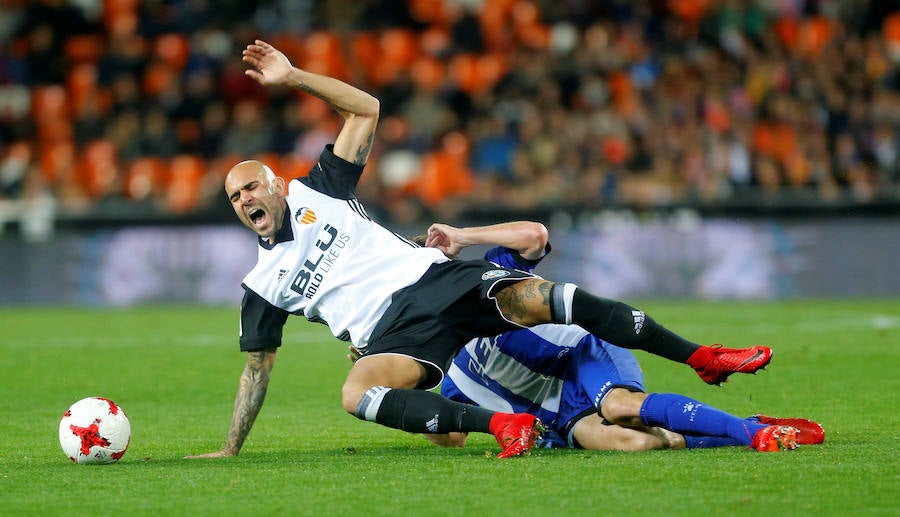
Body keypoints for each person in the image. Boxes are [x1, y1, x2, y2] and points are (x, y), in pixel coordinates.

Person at [188, 40, 772, 460]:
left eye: (250, 186)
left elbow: (366, 107)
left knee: (542, 297)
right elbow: (257, 368)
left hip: (433, 280)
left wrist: (293, 78)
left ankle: (701, 356)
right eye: (234, 196)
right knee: (356, 393)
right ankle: (505, 426)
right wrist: (229, 448)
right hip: (390, 335)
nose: (244, 200)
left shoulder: (320, 190)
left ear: (274, 184)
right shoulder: (262, 283)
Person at [407, 221, 824, 452]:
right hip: (560, 411)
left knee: (621, 405)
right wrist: (396, 387)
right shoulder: (449, 363)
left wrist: (463, 237)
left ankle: (754, 437)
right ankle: (743, 426)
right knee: (632, 442)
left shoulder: (493, 277)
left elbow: (535, 236)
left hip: (583, 351)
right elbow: (451, 436)